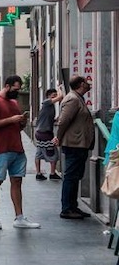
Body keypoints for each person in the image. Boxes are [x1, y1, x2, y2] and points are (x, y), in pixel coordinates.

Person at [0, 75, 40, 230]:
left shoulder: (14, 102)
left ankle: (19, 217)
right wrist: (11, 120)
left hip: (17, 148)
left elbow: (16, 126)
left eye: (19, 89)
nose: (17, 92)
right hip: (0, 149)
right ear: (7, 86)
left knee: (17, 181)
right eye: (15, 89)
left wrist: (21, 122)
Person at [55, 76, 95, 220]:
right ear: (81, 84)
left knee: (75, 176)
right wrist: (58, 137)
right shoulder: (72, 99)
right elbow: (63, 120)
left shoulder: (77, 98)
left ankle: (72, 206)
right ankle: (66, 208)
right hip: (74, 144)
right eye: (86, 82)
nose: (89, 84)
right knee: (71, 176)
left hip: (79, 144)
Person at [33, 87, 64, 181]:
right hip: (45, 133)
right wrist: (60, 88)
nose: (55, 97)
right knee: (53, 152)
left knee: (39, 152)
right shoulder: (47, 102)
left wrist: (55, 119)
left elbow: (47, 119)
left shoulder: (50, 107)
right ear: (48, 96)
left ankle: (38, 173)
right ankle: (52, 173)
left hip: (40, 132)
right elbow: (60, 97)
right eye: (53, 95)